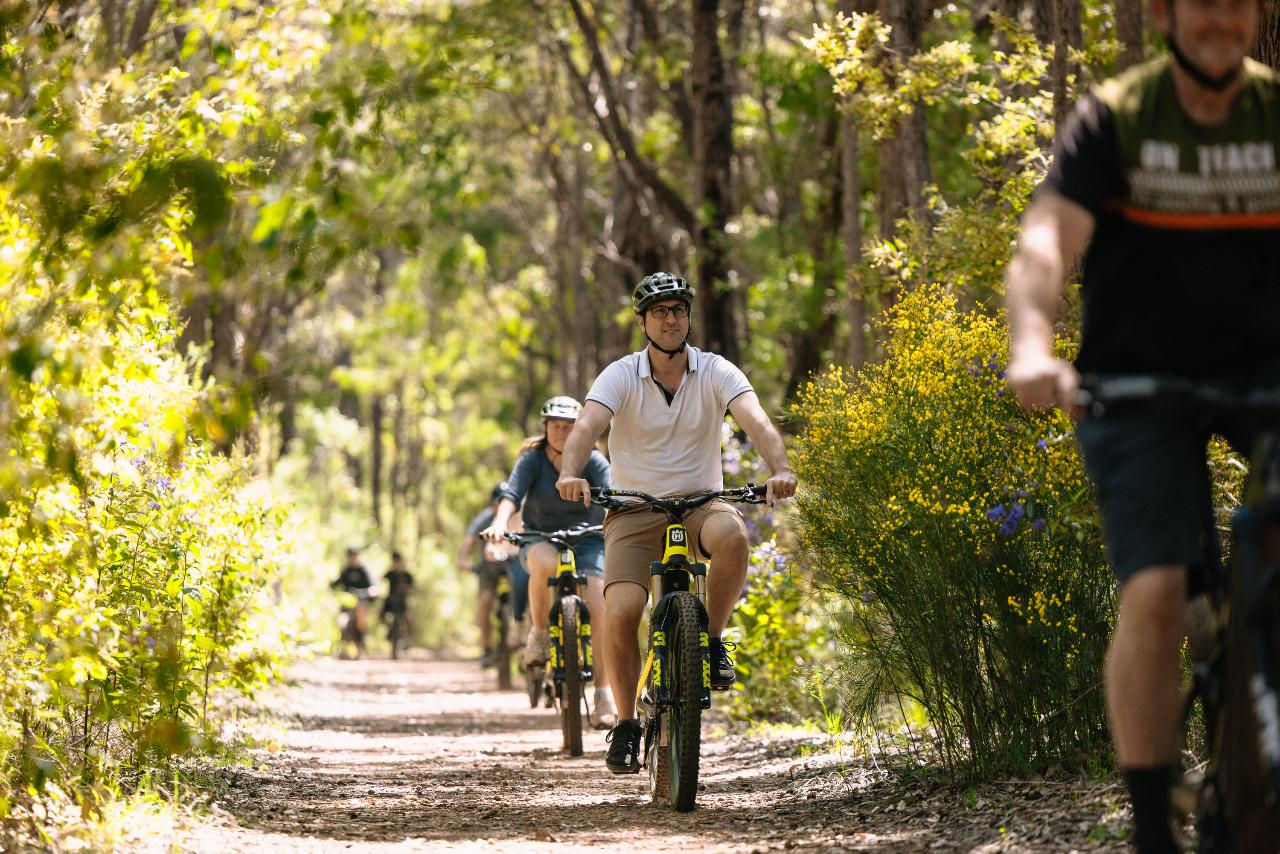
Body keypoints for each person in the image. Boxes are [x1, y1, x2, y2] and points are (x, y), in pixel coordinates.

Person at [1004, 3, 1280, 850]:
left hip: (1262, 379)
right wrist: (1032, 346)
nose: (1222, 20)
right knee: (1158, 589)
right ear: (1162, 13)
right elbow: (1046, 243)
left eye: (1238, 2)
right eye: (1202, 2)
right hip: (1136, 384)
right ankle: (1154, 827)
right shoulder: (1118, 117)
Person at [555, 272, 798, 774]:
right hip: (633, 508)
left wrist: (780, 468)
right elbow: (586, 427)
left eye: (679, 310)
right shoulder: (621, 375)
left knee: (733, 536)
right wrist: (569, 473)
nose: (671, 319)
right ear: (642, 322)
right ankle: (626, 723)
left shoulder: (715, 370)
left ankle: (711, 641)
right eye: (660, 312)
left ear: (688, 318)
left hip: (700, 503)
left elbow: (755, 419)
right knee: (623, 610)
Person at [481, 396, 617, 728]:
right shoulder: (532, 460)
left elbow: (612, 494)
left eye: (568, 427)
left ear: (579, 429)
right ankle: (540, 634)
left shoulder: (593, 460)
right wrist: (499, 523)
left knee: (599, 607)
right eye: (555, 426)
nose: (561, 432)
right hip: (540, 536)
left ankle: (603, 694)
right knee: (543, 562)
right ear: (545, 428)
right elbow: (511, 496)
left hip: (588, 540)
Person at [457, 484, 525, 666]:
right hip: (489, 565)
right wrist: (463, 559)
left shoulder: (520, 516)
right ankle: (486, 647)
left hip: (514, 561)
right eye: (497, 503)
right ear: (491, 504)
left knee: (523, 592)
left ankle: (523, 640)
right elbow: (469, 540)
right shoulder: (485, 518)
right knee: (485, 601)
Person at [331, 546, 376, 657]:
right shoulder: (346, 571)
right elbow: (337, 583)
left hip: (360, 600)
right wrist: (329, 587)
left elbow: (372, 585)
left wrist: (372, 590)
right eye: (350, 556)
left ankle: (361, 644)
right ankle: (341, 646)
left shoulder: (363, 570)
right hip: (347, 600)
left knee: (360, 619)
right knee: (340, 618)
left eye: (354, 555)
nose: (352, 558)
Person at [381, 550, 415, 636]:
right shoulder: (390, 573)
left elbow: (413, 587)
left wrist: (406, 589)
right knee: (381, 613)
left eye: (397, 561)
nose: (396, 563)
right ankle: (388, 628)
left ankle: (407, 636)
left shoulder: (407, 575)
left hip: (403, 600)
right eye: (394, 561)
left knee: (408, 617)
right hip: (390, 600)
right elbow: (381, 580)